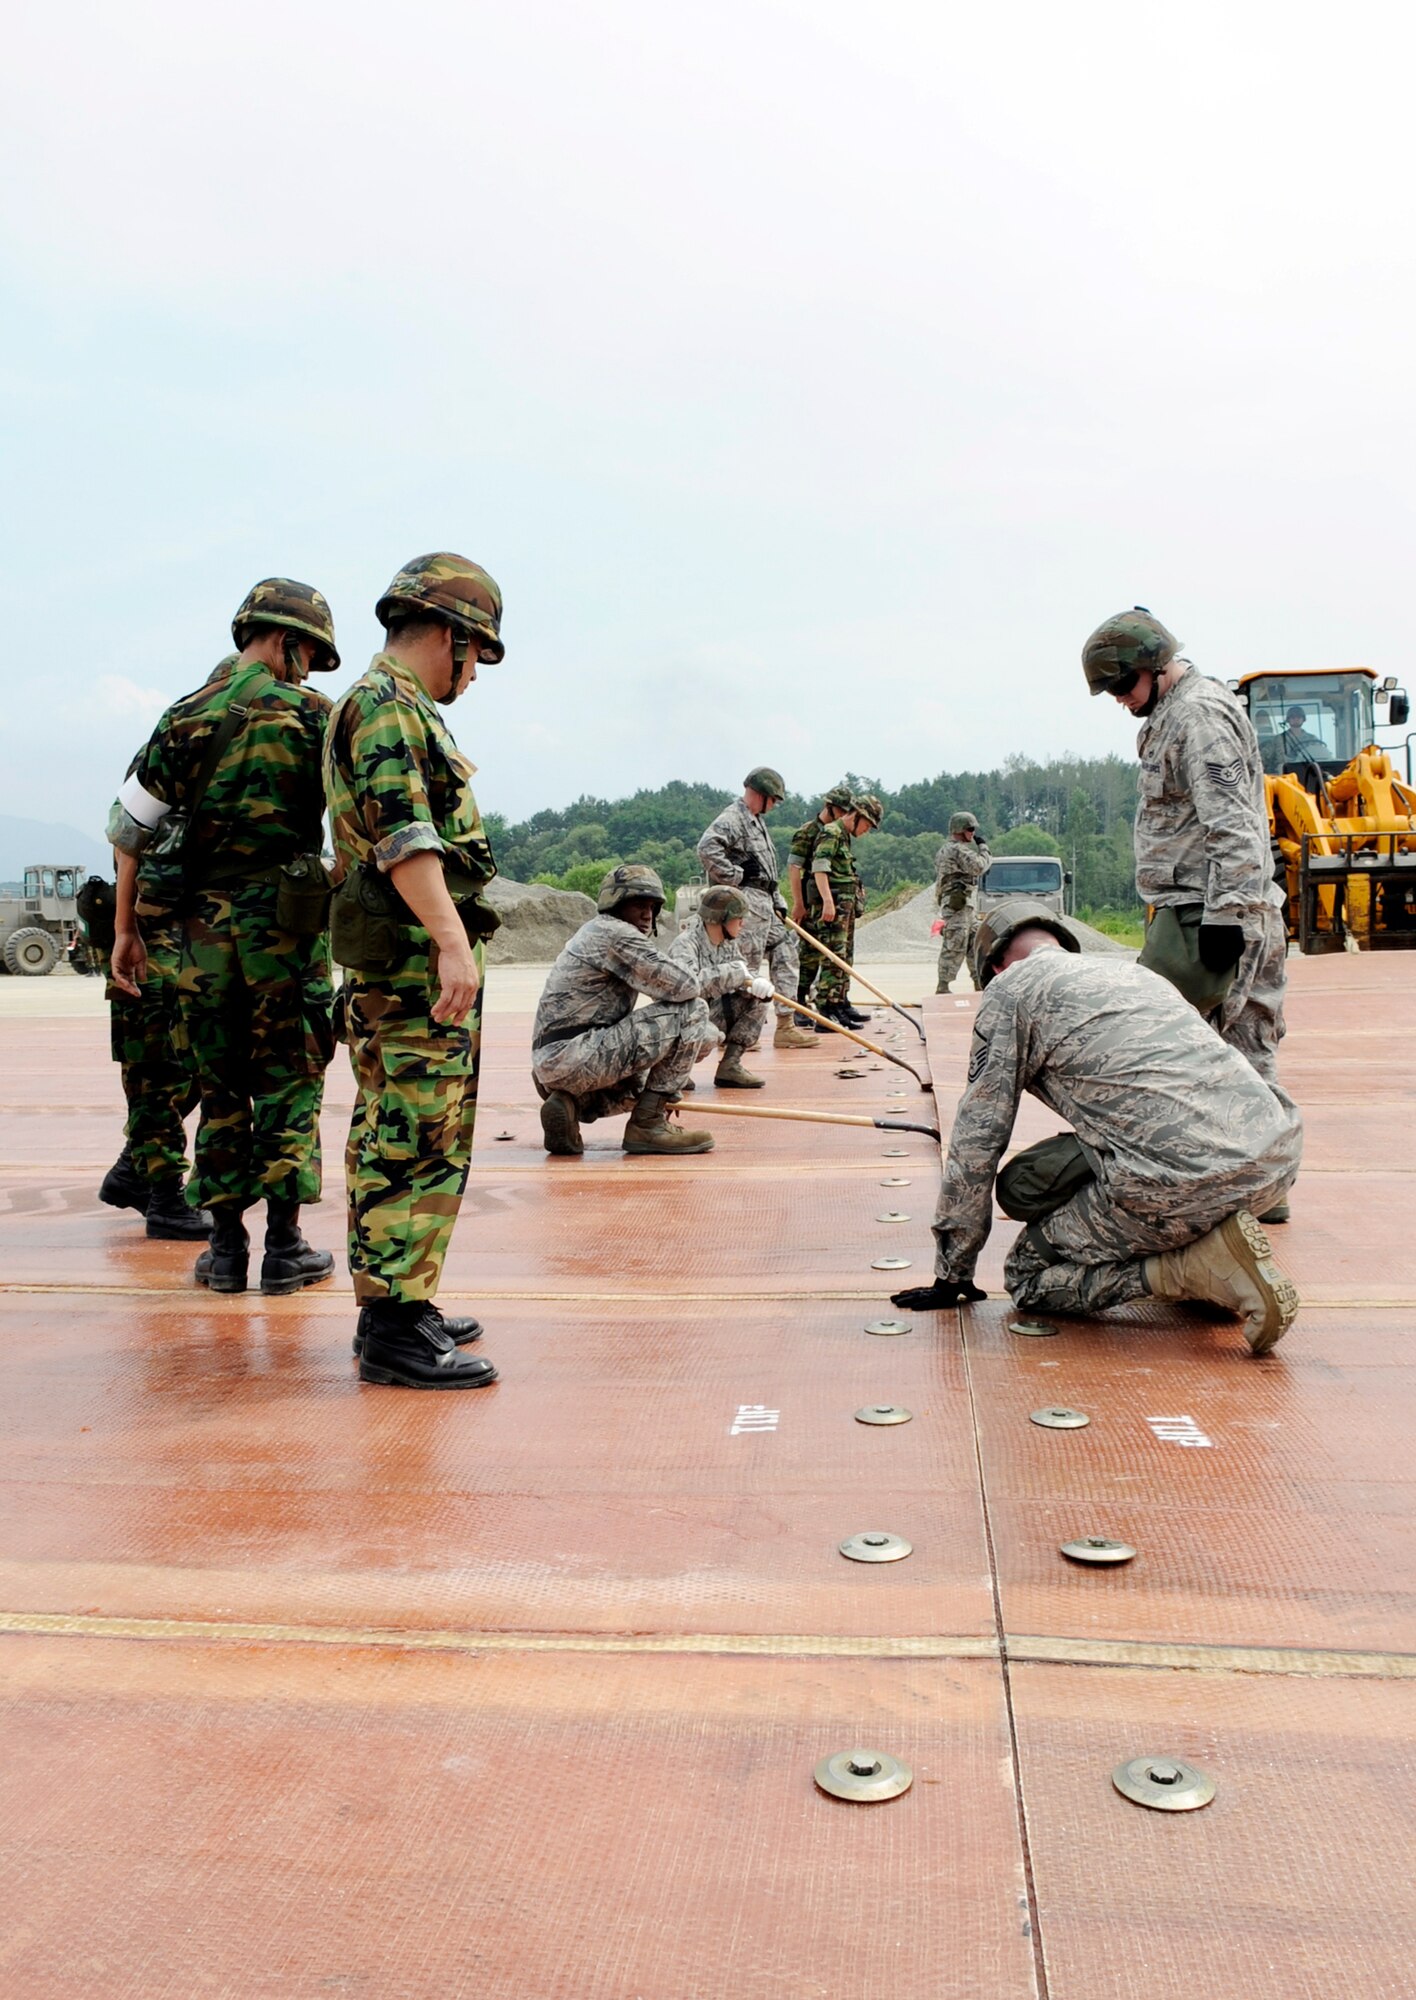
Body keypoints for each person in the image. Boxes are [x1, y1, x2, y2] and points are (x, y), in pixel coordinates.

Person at [890, 900, 1302, 1354]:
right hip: (1276, 1160)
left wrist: (954, 1271)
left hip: (1179, 1180)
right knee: (1028, 1183)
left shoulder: (1011, 990)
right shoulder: (1136, 975)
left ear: (994, 965)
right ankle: (1209, 1246)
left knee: (1028, 1277)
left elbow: (978, 1137)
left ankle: (1191, 1267)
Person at [109, 579, 339, 1295]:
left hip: (199, 942)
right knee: (289, 1082)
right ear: (287, 642)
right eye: (307, 655)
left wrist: (125, 931)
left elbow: (127, 831)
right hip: (288, 937)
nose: (306, 670)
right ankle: (286, 1248)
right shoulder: (316, 719)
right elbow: (363, 825)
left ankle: (226, 1251)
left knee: (221, 1086)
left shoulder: (182, 716)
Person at [325, 553, 507, 1390]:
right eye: (476, 657)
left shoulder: (381, 706)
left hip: (401, 968)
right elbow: (405, 836)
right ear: (451, 636)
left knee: (408, 1133)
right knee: (410, 1136)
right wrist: (450, 940)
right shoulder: (389, 709)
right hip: (408, 973)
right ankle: (394, 1325)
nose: (472, 677)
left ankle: (402, 1304)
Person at [1082, 607, 1290, 1219]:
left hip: (1213, 913)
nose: (1119, 700)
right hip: (1205, 907)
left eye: (1122, 686)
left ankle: (1250, 1189)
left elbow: (1234, 825)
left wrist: (1225, 917)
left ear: (1153, 667)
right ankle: (1261, 1189)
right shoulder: (1175, 713)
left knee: (1195, 1052)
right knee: (1239, 1050)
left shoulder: (1198, 716)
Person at [532, 865, 719, 1155]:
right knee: (695, 1013)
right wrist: (668, 1087)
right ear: (616, 905)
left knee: (697, 1041)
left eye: (652, 907)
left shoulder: (596, 931)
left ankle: (571, 1103)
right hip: (579, 1054)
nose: (647, 914)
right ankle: (648, 1123)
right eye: (638, 905)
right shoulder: (617, 934)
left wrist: (669, 1083)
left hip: (555, 1060)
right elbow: (686, 987)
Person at [87, 859, 210, 1242]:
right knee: (158, 1084)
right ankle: (165, 1200)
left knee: (185, 1077)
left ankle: (134, 1171)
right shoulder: (146, 805)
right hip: (153, 959)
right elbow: (127, 856)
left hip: (181, 954)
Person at [697, 769, 814, 1051]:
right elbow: (706, 848)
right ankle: (733, 1033)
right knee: (745, 969)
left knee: (786, 948)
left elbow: (767, 868)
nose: (774, 806)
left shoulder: (755, 821)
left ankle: (785, 1025)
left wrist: (779, 901)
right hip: (745, 904)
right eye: (772, 800)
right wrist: (734, 874)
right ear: (759, 795)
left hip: (764, 902)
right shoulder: (733, 818)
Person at [669, 885, 774, 1088]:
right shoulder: (685, 944)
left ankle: (730, 1066)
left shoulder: (727, 943)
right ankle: (673, 1070)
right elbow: (689, 986)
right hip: (681, 1019)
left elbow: (742, 969)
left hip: (708, 1012)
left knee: (758, 1000)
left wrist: (756, 982)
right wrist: (735, 973)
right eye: (738, 918)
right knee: (707, 1034)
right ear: (720, 919)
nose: (742, 923)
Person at [800, 793, 880, 1029]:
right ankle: (826, 1011)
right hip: (832, 907)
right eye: (867, 824)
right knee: (832, 958)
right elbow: (820, 869)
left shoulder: (843, 836)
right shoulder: (831, 832)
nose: (867, 830)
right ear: (857, 815)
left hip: (843, 908)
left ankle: (837, 1004)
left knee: (843, 957)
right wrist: (827, 901)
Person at [933, 811, 990, 993]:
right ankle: (943, 986)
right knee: (955, 944)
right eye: (970, 829)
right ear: (960, 830)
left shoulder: (945, 850)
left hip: (963, 904)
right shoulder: (957, 849)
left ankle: (978, 981)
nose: (973, 833)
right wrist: (984, 849)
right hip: (957, 905)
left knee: (974, 943)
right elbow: (980, 866)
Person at [788, 783, 854, 931]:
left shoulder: (840, 833)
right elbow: (794, 868)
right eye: (840, 810)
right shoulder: (807, 831)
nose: (843, 814)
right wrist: (798, 904)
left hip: (837, 900)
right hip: (814, 901)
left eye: (846, 811)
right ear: (828, 805)